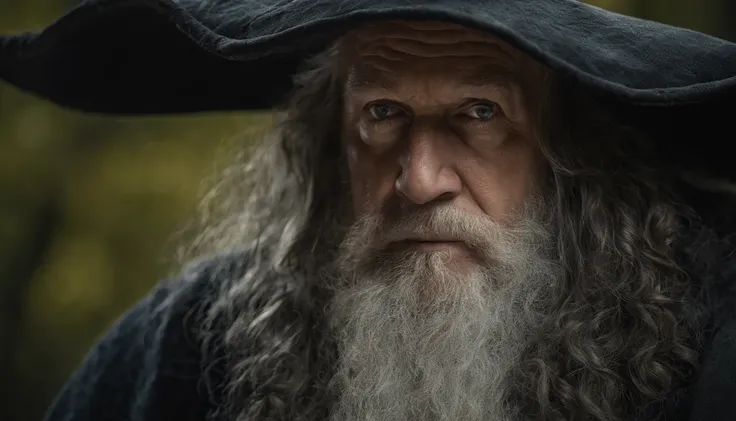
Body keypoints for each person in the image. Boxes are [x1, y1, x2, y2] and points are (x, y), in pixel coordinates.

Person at [2, 0, 736, 420]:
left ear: (570, 152)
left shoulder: (712, 328)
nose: (417, 180)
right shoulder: (199, 344)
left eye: (479, 113)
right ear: (330, 148)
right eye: (382, 114)